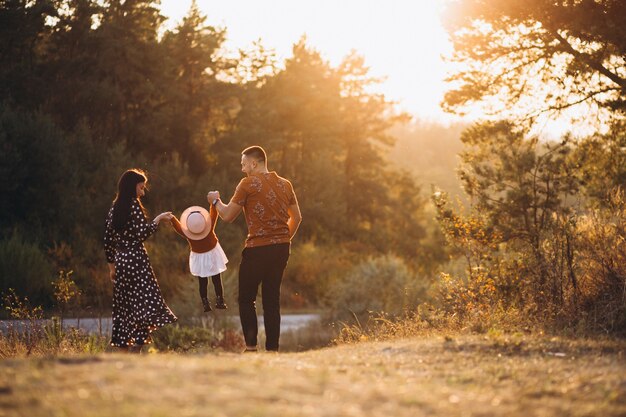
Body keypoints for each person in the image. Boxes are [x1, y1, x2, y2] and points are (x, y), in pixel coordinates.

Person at [207, 146, 302, 352]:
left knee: (246, 299)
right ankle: (272, 350)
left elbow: (228, 216)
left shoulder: (247, 184)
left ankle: (251, 348)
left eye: (243, 164)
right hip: (282, 249)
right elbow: (298, 217)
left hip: (257, 249)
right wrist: (283, 238)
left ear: (254, 163)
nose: (242, 169)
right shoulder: (286, 184)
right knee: (271, 300)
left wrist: (215, 201)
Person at [104, 169, 177, 351]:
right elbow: (142, 234)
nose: (143, 192)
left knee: (125, 307)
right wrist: (159, 219)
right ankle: (137, 347)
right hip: (136, 260)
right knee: (146, 302)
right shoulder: (133, 205)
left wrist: (111, 267)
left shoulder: (115, 207)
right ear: (132, 187)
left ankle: (124, 349)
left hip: (121, 262)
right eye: (141, 188)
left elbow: (107, 240)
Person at [170, 205, 229, 312]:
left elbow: (178, 228)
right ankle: (220, 300)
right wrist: (213, 204)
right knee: (216, 279)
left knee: (203, 282)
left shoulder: (189, 233)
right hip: (212, 254)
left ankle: (205, 303)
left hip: (199, 256)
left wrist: (172, 218)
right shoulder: (208, 227)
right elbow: (213, 215)